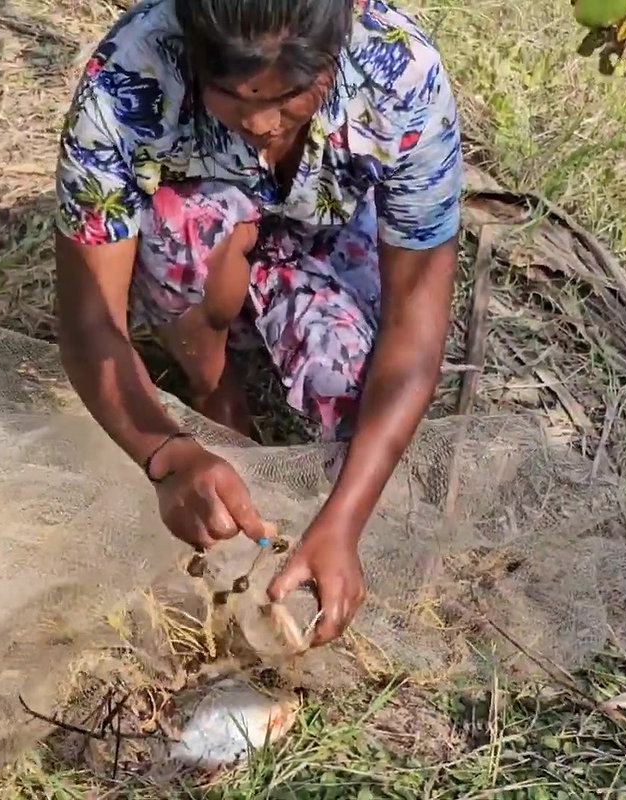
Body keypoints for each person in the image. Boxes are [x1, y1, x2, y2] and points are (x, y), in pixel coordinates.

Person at [53, 0, 463, 647]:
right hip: (205, 240)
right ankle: (214, 387)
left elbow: (416, 333)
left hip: (327, 245)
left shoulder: (404, 75)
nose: (263, 124)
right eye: (232, 97)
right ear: (191, 52)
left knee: (355, 399)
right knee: (174, 232)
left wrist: (344, 523)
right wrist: (166, 451)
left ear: (335, 52)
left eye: (292, 96)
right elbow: (85, 323)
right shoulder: (128, 75)